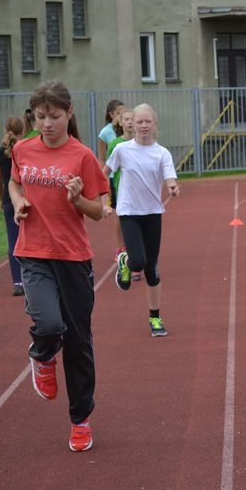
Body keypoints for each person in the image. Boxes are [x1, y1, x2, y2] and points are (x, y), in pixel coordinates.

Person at [8, 79, 109, 452]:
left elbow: (99, 211)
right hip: (34, 252)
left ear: (69, 113)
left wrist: (77, 200)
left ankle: (80, 420)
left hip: (73, 257)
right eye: (40, 117)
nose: (47, 124)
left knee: (79, 342)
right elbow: (15, 184)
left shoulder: (82, 156)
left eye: (54, 116)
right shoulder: (22, 149)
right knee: (50, 325)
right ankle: (43, 354)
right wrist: (18, 201)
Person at [106, 103, 180, 337]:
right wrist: (102, 200)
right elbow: (104, 173)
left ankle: (155, 318)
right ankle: (126, 260)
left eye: (148, 121)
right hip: (129, 212)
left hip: (153, 214)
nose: (143, 125)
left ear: (154, 124)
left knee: (152, 271)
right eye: (139, 121)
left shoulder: (162, 153)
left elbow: (170, 178)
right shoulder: (122, 150)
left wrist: (172, 186)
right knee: (138, 261)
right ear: (132, 125)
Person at [0, 116, 25, 296]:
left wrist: (2, 199)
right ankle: (30, 278)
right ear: (22, 131)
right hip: (24, 198)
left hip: (8, 199)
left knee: (13, 240)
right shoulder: (24, 149)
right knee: (29, 239)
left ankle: (17, 282)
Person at [104, 106, 138, 274]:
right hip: (120, 187)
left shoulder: (142, 142)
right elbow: (108, 169)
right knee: (122, 218)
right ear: (120, 123)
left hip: (139, 190)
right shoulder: (115, 144)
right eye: (126, 119)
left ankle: (137, 255)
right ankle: (122, 249)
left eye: (132, 119)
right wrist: (106, 193)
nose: (130, 122)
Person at [96, 99, 124, 165]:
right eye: (118, 113)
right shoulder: (105, 132)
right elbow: (102, 159)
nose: (121, 116)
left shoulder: (130, 129)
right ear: (111, 114)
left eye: (123, 113)